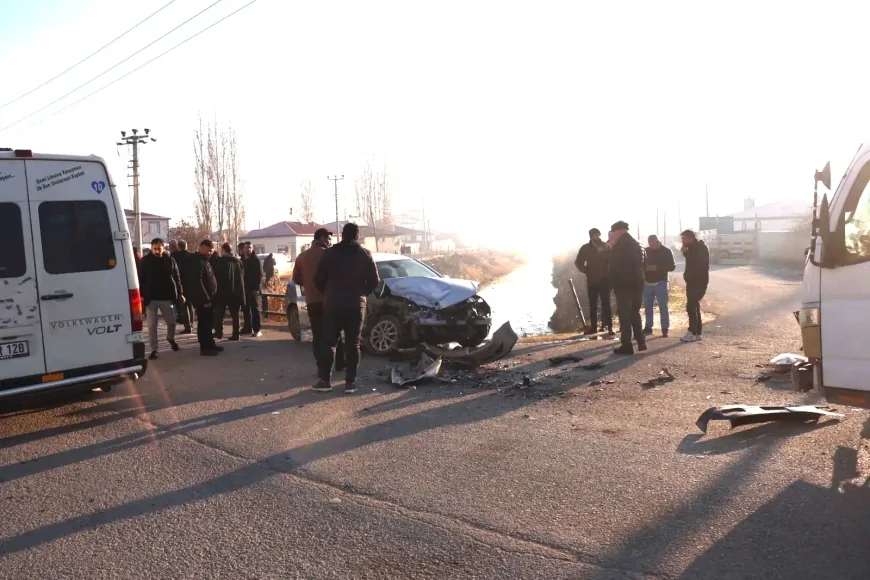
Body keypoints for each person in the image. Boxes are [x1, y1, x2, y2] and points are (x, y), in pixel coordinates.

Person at [313, 223, 380, 394]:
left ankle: (325, 381)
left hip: (333, 303)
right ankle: (350, 383)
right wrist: (362, 293)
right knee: (353, 343)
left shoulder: (330, 253)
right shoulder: (365, 254)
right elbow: (374, 280)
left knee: (329, 342)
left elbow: (318, 278)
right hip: (356, 304)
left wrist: (328, 292)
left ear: (342, 235)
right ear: (357, 236)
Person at [293, 228, 345, 368]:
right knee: (334, 332)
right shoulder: (330, 254)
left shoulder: (302, 257)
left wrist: (309, 283)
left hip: (312, 301)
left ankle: (321, 365)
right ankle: (339, 363)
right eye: (329, 239)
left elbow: (296, 279)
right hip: (330, 299)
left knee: (317, 334)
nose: (330, 242)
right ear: (322, 238)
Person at [138, 238, 183, 360]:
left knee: (172, 322)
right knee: (152, 326)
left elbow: (177, 277)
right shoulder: (145, 261)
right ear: (152, 248)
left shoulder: (169, 260)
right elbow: (140, 279)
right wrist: (141, 295)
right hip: (150, 298)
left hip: (166, 297)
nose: (157, 251)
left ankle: (170, 338)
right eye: (155, 249)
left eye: (159, 248)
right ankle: (154, 349)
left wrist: (180, 293)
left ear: (164, 248)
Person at [608, 221, 646, 355]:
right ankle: (641, 341)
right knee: (635, 313)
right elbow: (644, 265)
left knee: (624, 315)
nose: (612, 235)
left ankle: (627, 345)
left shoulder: (619, 246)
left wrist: (611, 284)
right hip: (638, 284)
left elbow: (614, 268)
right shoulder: (639, 245)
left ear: (619, 231)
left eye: (613, 232)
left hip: (623, 284)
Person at [574, 228, 614, 337]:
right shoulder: (585, 248)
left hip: (605, 280)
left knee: (606, 304)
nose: (597, 237)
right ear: (591, 236)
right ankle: (593, 328)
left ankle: (610, 327)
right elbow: (578, 262)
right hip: (592, 281)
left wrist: (608, 272)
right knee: (593, 305)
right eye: (595, 235)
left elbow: (612, 261)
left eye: (598, 235)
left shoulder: (606, 247)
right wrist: (586, 270)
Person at [190, 240, 223, 356]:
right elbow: (197, 282)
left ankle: (210, 344)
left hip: (208, 298)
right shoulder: (197, 261)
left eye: (212, 251)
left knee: (208, 323)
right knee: (204, 324)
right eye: (209, 251)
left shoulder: (204, 260)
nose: (210, 253)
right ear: (202, 248)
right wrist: (205, 299)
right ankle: (205, 347)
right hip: (203, 300)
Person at [642, 234, 676, 337]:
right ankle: (648, 327)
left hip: (661, 282)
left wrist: (656, 267)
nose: (651, 246)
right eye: (650, 244)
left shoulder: (666, 251)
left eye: (653, 243)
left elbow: (672, 266)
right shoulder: (645, 251)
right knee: (648, 307)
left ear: (658, 242)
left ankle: (665, 328)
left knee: (663, 306)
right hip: (647, 283)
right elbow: (640, 264)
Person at [680, 229, 710, 342]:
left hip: (698, 282)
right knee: (694, 306)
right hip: (692, 281)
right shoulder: (693, 247)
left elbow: (697, 262)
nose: (682, 241)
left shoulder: (700, 248)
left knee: (691, 306)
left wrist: (685, 252)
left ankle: (692, 332)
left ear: (690, 238)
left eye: (684, 239)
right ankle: (697, 333)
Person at [213, 242, 246, 341]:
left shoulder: (221, 261)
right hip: (236, 292)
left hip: (222, 291)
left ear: (223, 251)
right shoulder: (238, 262)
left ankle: (219, 332)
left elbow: (218, 277)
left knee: (219, 313)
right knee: (235, 314)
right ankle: (236, 334)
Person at [239, 241, 264, 337]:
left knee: (255, 309)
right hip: (244, 288)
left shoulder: (256, 260)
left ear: (252, 249)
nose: (248, 249)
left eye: (250, 247)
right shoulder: (242, 260)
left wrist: (257, 288)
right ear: (243, 249)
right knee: (245, 309)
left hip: (253, 289)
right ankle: (247, 327)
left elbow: (260, 275)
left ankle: (257, 329)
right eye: (246, 247)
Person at [170, 240, 195, 334]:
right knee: (190, 305)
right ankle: (191, 324)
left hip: (181, 284)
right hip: (191, 284)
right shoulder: (192, 256)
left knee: (184, 306)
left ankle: (187, 326)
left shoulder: (175, 257)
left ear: (178, 247)